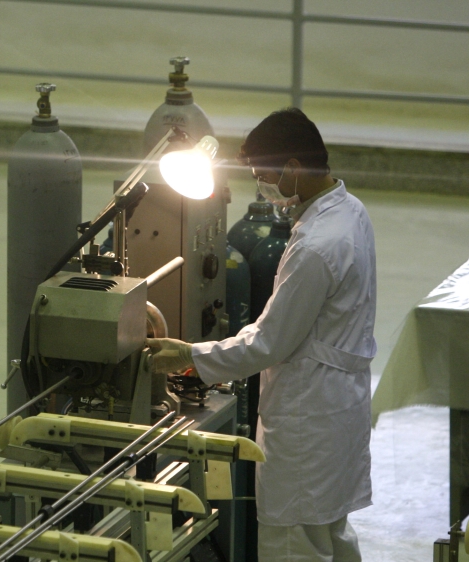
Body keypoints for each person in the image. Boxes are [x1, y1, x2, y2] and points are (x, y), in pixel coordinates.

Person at [148, 108, 376, 562]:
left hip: (308, 418)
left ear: (292, 168)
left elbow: (268, 342)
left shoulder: (316, 246)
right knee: (331, 533)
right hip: (339, 409)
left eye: (264, 176)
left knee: (294, 545)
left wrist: (189, 354)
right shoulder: (350, 211)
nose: (262, 187)